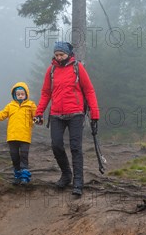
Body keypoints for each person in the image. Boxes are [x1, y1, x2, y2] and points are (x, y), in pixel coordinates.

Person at [33, 41, 100, 196]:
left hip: (76, 114)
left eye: (61, 54)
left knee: (76, 148)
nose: (59, 57)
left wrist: (95, 114)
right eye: (56, 55)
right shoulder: (51, 70)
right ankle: (66, 174)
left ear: (68, 54)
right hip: (56, 114)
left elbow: (89, 91)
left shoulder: (78, 68)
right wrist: (39, 113)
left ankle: (78, 182)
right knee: (56, 145)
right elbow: (45, 93)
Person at [0, 81, 37, 184]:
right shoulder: (10, 106)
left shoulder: (31, 105)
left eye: (22, 94)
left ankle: (24, 176)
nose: (20, 96)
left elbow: (37, 116)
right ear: (14, 95)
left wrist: (37, 120)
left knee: (24, 155)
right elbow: (1, 115)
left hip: (25, 136)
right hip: (12, 136)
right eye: (18, 94)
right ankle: (17, 174)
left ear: (26, 94)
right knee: (14, 156)